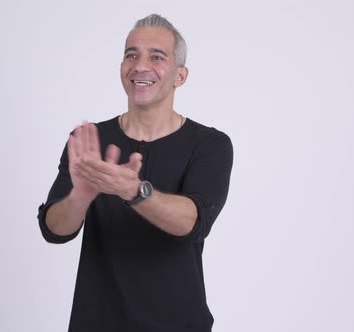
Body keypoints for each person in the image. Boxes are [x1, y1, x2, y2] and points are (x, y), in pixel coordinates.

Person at [37, 13, 233, 332]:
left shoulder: (210, 144)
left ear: (179, 76)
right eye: (131, 54)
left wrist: (134, 191)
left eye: (157, 57)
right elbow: (54, 229)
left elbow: (194, 223)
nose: (140, 66)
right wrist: (80, 197)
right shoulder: (88, 140)